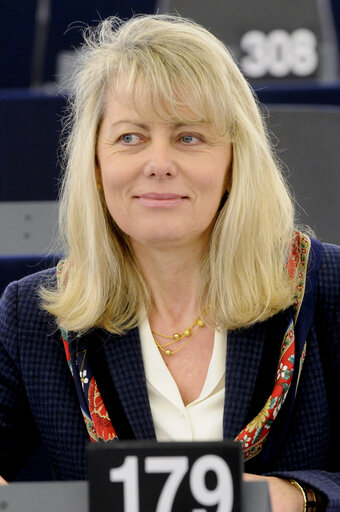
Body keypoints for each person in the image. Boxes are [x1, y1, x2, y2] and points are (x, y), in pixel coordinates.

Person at [0, 14, 339, 512]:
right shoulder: (32, 314)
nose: (158, 162)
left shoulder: (327, 285)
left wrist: (299, 495)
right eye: (130, 138)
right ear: (96, 166)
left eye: (188, 137)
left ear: (233, 164)